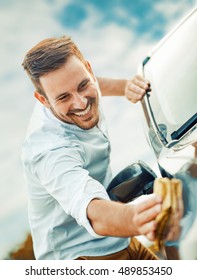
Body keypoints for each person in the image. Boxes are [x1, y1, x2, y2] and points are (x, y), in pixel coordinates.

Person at [21, 35, 181, 260]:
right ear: (43, 100)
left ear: (88, 70)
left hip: (119, 236)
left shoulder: (76, 87)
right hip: (79, 257)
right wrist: (138, 219)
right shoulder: (49, 150)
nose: (81, 103)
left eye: (83, 84)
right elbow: (92, 211)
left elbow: (94, 84)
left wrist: (125, 87)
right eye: (64, 97)